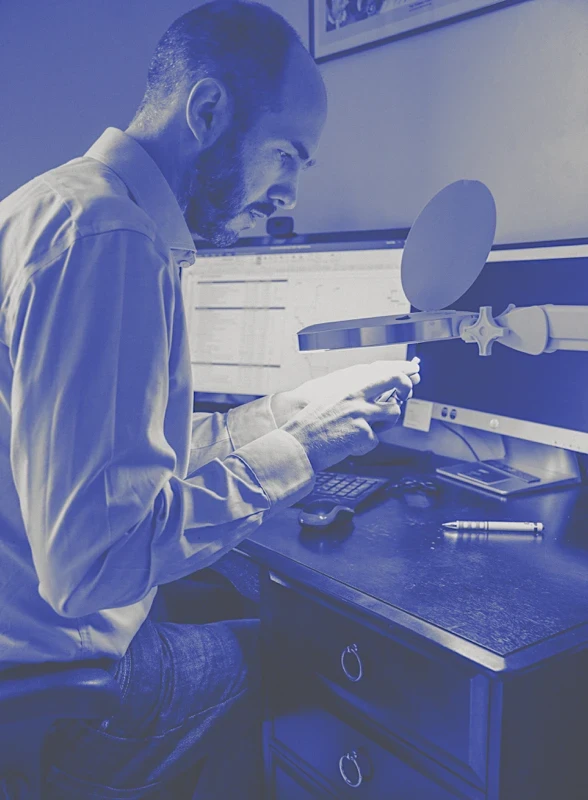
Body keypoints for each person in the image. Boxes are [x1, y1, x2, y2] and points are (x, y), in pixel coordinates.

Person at [0, 1, 420, 796]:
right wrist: (304, 454)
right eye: (288, 155)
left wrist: (284, 417)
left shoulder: (54, 209)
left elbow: (111, 467)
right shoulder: (110, 243)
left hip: (18, 645)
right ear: (208, 110)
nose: (288, 192)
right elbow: (93, 565)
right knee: (295, 656)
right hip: (66, 690)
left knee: (227, 597)